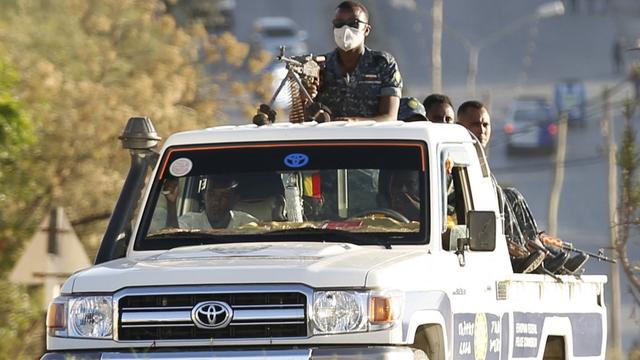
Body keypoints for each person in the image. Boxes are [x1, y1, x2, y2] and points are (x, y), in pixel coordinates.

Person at [303, 1, 403, 122]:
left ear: (366, 30)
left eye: (353, 23)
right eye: (339, 24)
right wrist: (305, 97)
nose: (345, 29)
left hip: (371, 139)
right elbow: (305, 120)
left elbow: (389, 117)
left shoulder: (383, 64)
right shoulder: (319, 66)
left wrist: (353, 122)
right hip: (329, 139)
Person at [165, 175, 258, 229]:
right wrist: (171, 203)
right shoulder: (191, 222)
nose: (216, 201)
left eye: (224, 196)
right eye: (211, 194)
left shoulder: (246, 223)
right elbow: (172, 234)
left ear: (234, 200)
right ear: (203, 196)